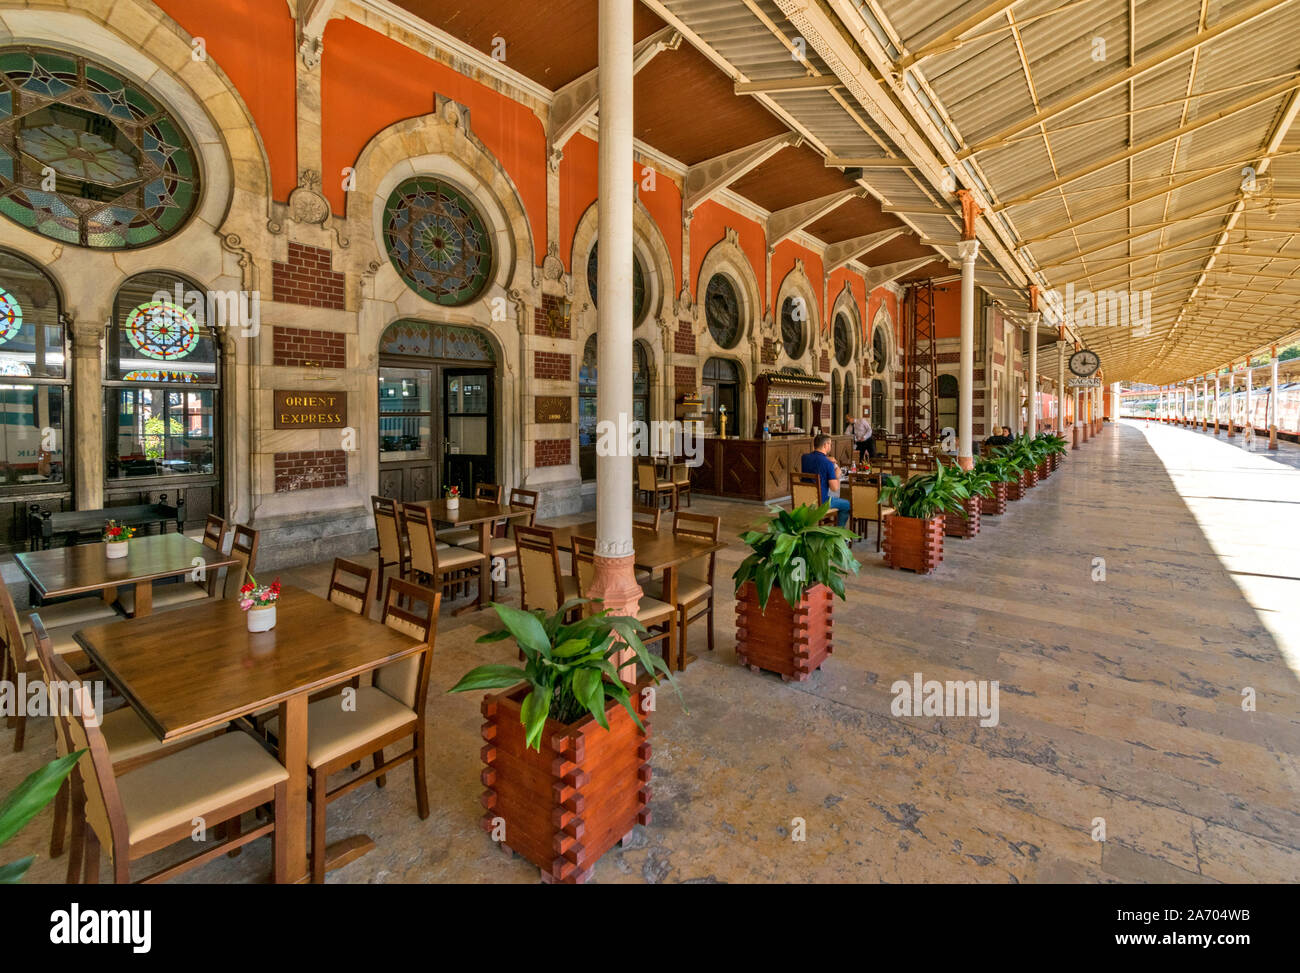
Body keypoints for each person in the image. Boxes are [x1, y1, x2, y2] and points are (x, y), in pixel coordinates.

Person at [800, 434, 851, 527]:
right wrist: (838, 474)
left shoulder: (804, 458)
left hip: (804, 499)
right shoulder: (828, 464)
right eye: (830, 444)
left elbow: (816, 457)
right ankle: (839, 534)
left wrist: (827, 458)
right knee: (847, 504)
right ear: (825, 445)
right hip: (821, 502)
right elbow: (834, 488)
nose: (830, 446)